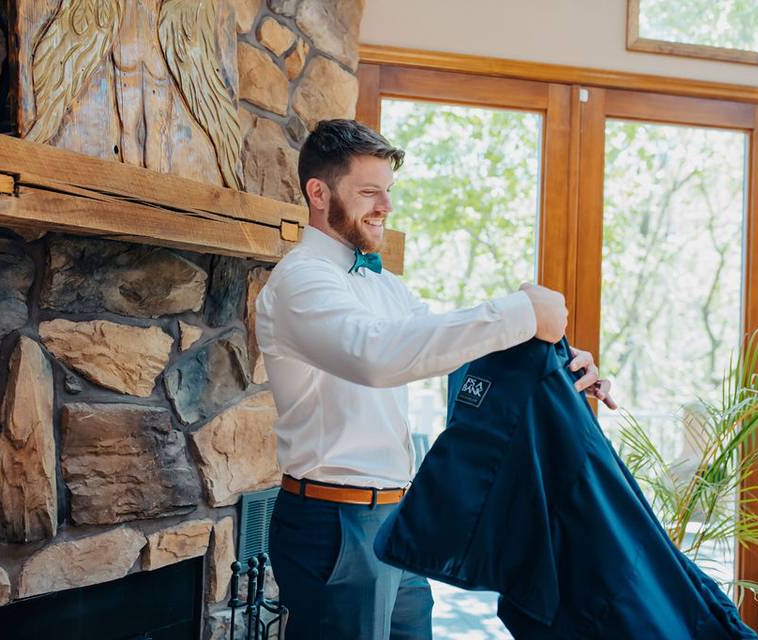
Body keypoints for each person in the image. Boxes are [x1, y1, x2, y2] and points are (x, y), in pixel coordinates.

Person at [255, 119, 614, 640]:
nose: (386, 207)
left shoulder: (385, 286)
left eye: (389, 192)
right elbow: (376, 356)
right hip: (333, 524)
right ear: (318, 192)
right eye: (370, 192)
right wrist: (518, 311)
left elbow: (441, 349)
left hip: (397, 518)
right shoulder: (300, 280)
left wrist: (558, 365)